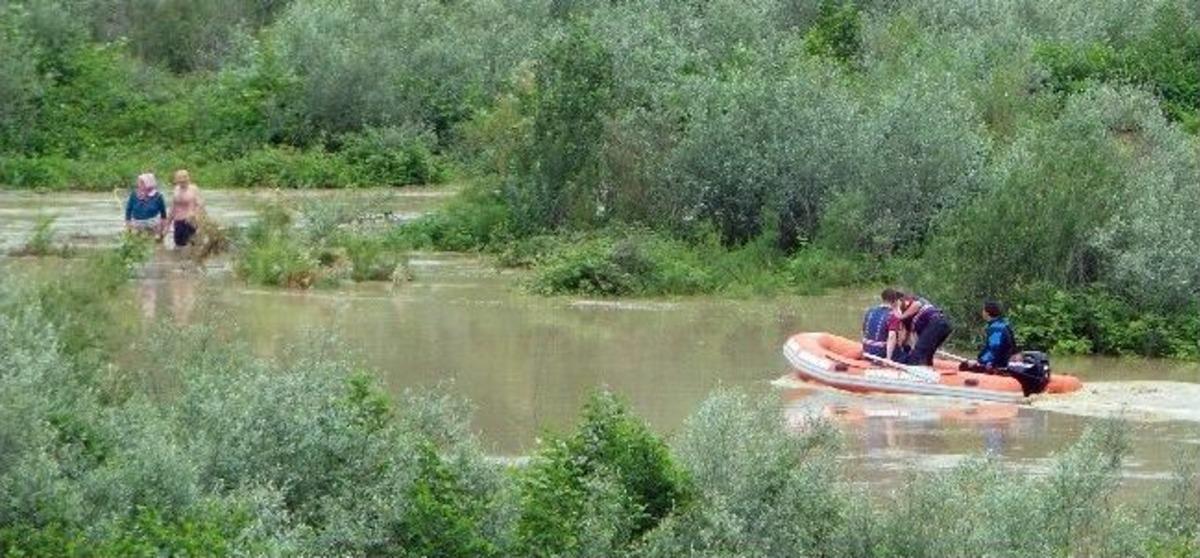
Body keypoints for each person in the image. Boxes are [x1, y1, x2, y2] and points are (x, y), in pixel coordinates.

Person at [885, 289, 953, 366]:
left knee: (918, 356)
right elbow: (907, 335)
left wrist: (901, 316)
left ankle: (919, 367)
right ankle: (927, 367)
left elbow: (917, 305)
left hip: (936, 323)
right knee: (926, 354)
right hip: (942, 326)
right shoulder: (907, 319)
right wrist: (902, 346)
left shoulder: (910, 302)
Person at [861, 288, 909, 361]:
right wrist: (888, 358)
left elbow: (863, 331)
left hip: (867, 348)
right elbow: (892, 337)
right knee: (907, 353)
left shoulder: (869, 311)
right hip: (880, 352)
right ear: (895, 301)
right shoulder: (893, 315)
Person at [166, 169, 204, 248]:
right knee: (178, 245)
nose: (182, 179)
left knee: (192, 245)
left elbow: (200, 204)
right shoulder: (176, 189)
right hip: (178, 221)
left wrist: (196, 216)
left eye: (185, 177)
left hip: (190, 221)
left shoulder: (194, 189)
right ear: (176, 180)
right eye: (179, 177)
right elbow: (173, 207)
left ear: (188, 178)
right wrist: (168, 224)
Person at [125, 173, 166, 240]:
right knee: (136, 242)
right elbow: (128, 210)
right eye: (139, 182)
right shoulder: (134, 194)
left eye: (142, 183)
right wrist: (128, 224)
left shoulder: (158, 196)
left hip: (153, 225)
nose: (138, 185)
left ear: (148, 183)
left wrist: (161, 231)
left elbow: (163, 214)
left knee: (152, 243)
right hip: (137, 225)